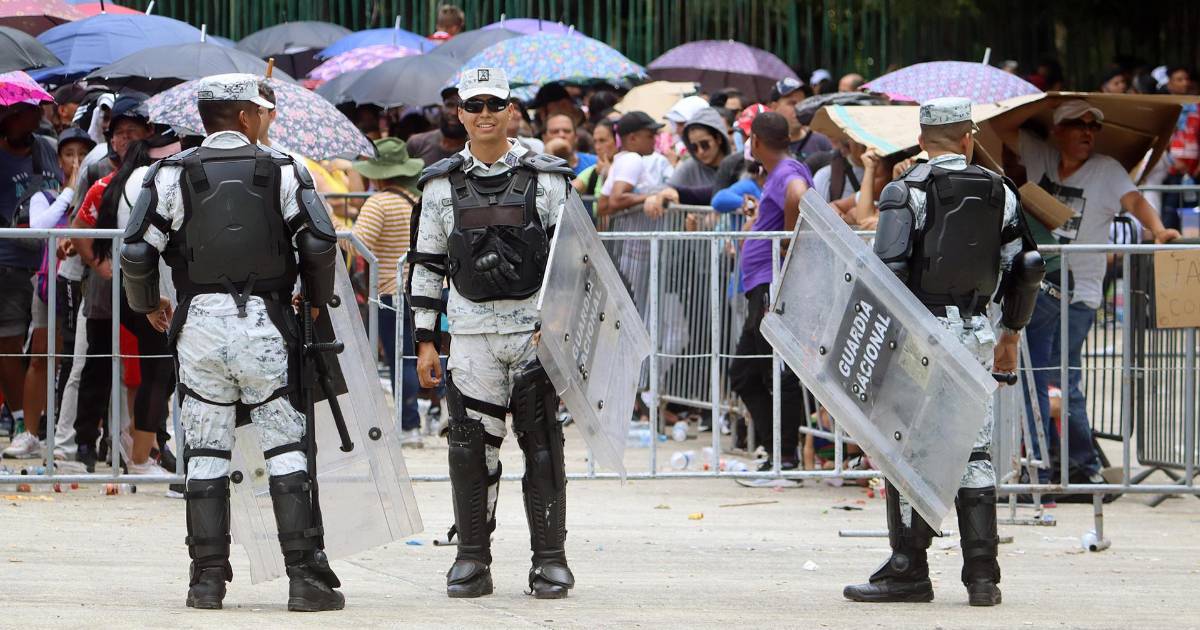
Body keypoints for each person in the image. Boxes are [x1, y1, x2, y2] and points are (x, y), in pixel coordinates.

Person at [120, 73, 344, 611]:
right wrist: (315, 301)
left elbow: (136, 251)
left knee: (205, 451)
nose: (266, 117)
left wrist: (148, 304)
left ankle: (206, 581)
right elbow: (318, 241)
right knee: (286, 448)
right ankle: (304, 579)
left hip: (199, 324)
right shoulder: (284, 169)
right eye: (261, 110)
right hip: (267, 323)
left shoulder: (169, 173)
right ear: (244, 117)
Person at [843, 97, 1045, 607]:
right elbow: (1026, 265)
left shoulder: (905, 190)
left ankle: (908, 569)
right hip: (975, 334)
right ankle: (983, 577)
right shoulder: (1002, 191)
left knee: (907, 449)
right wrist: (1010, 334)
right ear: (967, 138)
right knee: (974, 450)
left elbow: (888, 272)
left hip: (917, 334)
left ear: (921, 139)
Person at [408, 67, 576, 600]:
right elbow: (427, 265)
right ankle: (472, 559)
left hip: (532, 336)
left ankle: (550, 560)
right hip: (471, 337)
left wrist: (557, 330)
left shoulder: (548, 180)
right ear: (459, 114)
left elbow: (573, 264)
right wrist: (425, 341)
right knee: (470, 449)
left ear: (511, 111)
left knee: (542, 445)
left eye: (494, 105)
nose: (484, 115)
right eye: (474, 106)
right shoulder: (439, 185)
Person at [992, 99, 1180, 491]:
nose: (1087, 133)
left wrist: (1159, 230)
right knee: (1046, 378)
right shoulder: (1042, 155)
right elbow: (1000, 126)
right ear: (1058, 131)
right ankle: (1064, 463)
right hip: (1041, 287)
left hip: (1080, 293)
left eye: (1093, 128)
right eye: (1078, 125)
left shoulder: (1106, 170)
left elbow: (1135, 201)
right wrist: (1043, 103)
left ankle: (1074, 464)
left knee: (1059, 378)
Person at [727, 112, 812, 471]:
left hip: (771, 284)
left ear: (756, 141)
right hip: (761, 284)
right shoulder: (777, 172)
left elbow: (798, 193)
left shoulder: (787, 172)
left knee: (775, 371)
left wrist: (787, 238)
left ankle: (785, 456)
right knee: (745, 374)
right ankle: (776, 450)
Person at [350, 137, 424, 447]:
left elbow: (358, 245)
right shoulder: (416, 199)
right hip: (423, 290)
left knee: (400, 360)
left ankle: (409, 425)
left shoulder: (378, 203)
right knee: (422, 353)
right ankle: (436, 413)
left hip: (391, 292)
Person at [0, 102, 62, 460]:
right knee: (7, 343)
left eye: (36, 111)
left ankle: (37, 425)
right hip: (7, 263)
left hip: (49, 264)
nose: (34, 117)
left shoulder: (47, 149)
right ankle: (22, 420)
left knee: (42, 347)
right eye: (24, 112)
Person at [644, 107, 732, 213]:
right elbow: (667, 187)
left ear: (718, 138)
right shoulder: (689, 167)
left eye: (705, 144)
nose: (700, 151)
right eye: (694, 147)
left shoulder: (736, 164)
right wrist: (654, 196)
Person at [596, 111, 674, 216]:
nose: (655, 140)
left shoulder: (624, 159)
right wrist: (653, 196)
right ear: (632, 138)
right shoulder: (632, 159)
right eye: (650, 136)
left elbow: (605, 205)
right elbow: (616, 200)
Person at [1162, 66, 1198, 230]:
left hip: (1194, 172)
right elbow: (1161, 139)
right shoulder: (1165, 108)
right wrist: (1172, 161)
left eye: (1186, 79)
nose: (1185, 83)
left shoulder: (1197, 107)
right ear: (1170, 83)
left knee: (1193, 215)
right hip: (1172, 170)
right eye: (1179, 79)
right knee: (1169, 213)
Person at [768, 78, 833, 163]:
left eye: (803, 103)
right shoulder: (765, 145)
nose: (799, 108)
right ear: (774, 107)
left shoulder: (821, 142)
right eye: (792, 103)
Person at [407, 87, 468, 166]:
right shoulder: (416, 143)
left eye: (462, 107)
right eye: (450, 105)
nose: (454, 113)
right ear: (441, 107)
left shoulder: (477, 149)